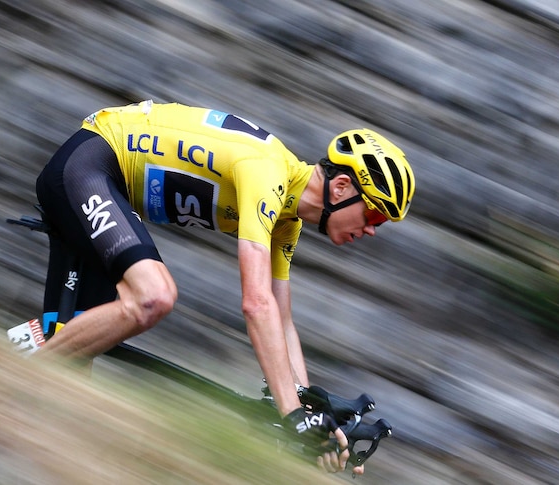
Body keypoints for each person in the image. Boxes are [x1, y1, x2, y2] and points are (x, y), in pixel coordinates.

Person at [35, 100, 415, 474]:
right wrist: (292, 415)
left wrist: (312, 421)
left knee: (69, 391)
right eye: (375, 213)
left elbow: (281, 321)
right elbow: (256, 304)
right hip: (91, 165)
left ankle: (30, 364)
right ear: (341, 186)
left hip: (107, 187)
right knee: (153, 296)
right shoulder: (267, 175)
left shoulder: (287, 220)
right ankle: (33, 370)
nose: (370, 229)